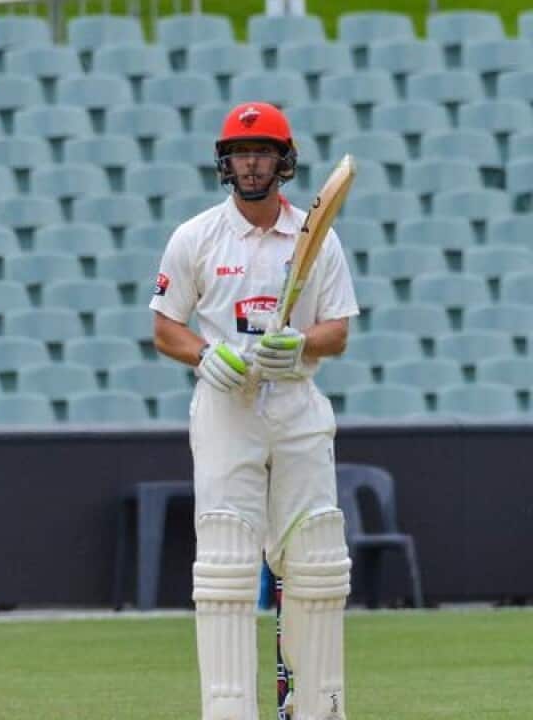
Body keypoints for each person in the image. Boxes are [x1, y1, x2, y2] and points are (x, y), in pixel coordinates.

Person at [149, 101, 359, 720]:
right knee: (225, 563)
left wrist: (300, 344)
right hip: (226, 411)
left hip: (295, 406)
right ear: (226, 162)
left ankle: (317, 709)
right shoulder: (196, 237)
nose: (252, 163)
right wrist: (205, 355)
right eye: (242, 153)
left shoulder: (315, 238)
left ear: (283, 162)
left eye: (263, 152)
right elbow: (165, 326)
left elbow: (338, 331)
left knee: (316, 559)